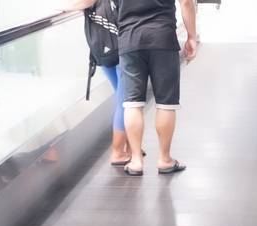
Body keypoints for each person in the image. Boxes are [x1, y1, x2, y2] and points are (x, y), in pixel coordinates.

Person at [115, 0, 200, 175]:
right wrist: (192, 36)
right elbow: (186, 2)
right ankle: (164, 159)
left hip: (130, 39)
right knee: (166, 103)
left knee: (132, 103)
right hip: (163, 38)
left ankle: (136, 160)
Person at [67, 0, 136, 166]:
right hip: (119, 45)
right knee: (125, 101)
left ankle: (130, 145)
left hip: (102, 47)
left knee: (123, 98)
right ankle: (118, 152)